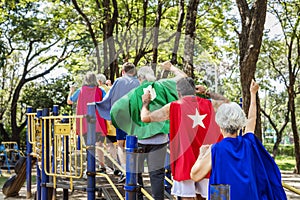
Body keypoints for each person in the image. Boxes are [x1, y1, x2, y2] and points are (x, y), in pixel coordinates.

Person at [190, 80, 287, 200]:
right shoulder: (249, 143)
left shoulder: (215, 149)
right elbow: (252, 119)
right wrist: (253, 94)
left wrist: (201, 154)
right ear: (241, 124)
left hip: (223, 194)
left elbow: (195, 175)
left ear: (219, 124)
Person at [141, 77, 229, 200]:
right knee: (204, 196)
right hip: (206, 161)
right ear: (195, 90)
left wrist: (145, 103)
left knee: (186, 197)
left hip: (184, 161)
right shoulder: (210, 104)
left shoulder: (173, 107)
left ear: (178, 92)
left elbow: (145, 118)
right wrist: (206, 92)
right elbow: (226, 101)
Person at [110, 61, 188, 200]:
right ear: (152, 76)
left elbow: (115, 110)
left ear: (140, 78)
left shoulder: (133, 94)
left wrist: (122, 125)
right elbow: (184, 78)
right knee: (157, 174)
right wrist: (171, 68)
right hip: (160, 139)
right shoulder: (163, 85)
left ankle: (138, 197)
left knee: (136, 173)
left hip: (138, 140)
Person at [96, 62, 140, 182]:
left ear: (123, 71)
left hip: (121, 117)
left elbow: (109, 98)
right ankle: (134, 171)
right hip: (135, 117)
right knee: (134, 143)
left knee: (120, 145)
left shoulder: (119, 81)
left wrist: (108, 115)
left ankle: (125, 171)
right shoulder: (138, 82)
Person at [67, 72, 108, 173]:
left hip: (85, 123)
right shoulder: (100, 90)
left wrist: (71, 91)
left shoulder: (80, 91)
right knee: (99, 144)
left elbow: (70, 101)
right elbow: (107, 101)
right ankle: (102, 166)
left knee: (89, 145)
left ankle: (89, 167)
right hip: (98, 122)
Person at [96, 74, 118, 174]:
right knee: (113, 145)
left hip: (104, 123)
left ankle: (102, 166)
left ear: (99, 81)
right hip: (113, 122)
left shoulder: (100, 90)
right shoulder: (110, 89)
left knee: (100, 144)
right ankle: (117, 167)